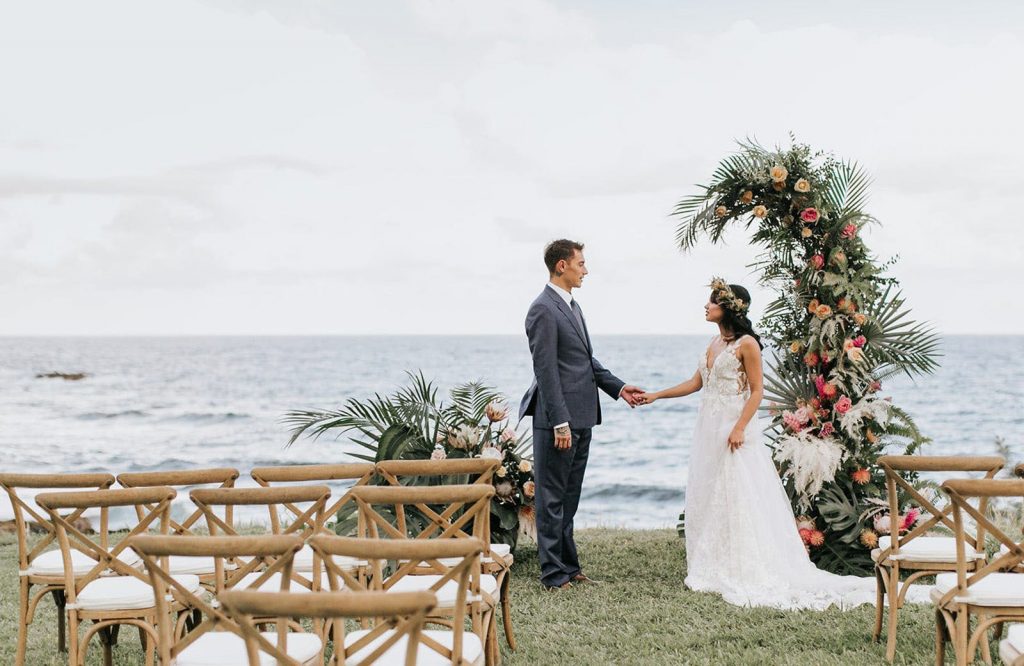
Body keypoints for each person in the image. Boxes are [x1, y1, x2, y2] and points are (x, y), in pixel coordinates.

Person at [637, 278, 889, 609]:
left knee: (737, 492)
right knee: (712, 491)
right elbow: (696, 383)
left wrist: (740, 427)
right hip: (708, 428)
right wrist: (656, 395)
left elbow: (757, 391)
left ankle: (746, 564)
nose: (707, 306)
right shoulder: (713, 342)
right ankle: (715, 561)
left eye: (713, 301)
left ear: (729, 307)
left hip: (733, 426)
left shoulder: (747, 345)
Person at [519, 239, 644, 591]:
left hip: (583, 415)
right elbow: (545, 369)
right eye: (581, 263)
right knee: (551, 498)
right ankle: (553, 574)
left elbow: (584, 361)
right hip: (557, 421)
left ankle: (569, 567)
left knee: (569, 497)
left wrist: (619, 388)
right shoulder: (543, 309)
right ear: (562, 265)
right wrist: (559, 421)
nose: (585, 270)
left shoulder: (571, 306)